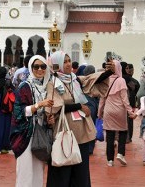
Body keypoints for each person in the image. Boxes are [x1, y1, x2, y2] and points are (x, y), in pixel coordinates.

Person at [46, 51, 98, 187]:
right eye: (65, 61)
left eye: (69, 61)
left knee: (81, 169)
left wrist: (109, 72)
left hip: (81, 131)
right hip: (65, 130)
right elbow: (56, 106)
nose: (68, 64)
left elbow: (93, 80)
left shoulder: (74, 79)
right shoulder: (53, 83)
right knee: (64, 166)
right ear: (57, 64)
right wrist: (78, 106)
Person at [10, 55, 54, 187]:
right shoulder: (25, 86)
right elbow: (19, 111)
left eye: (43, 66)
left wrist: (49, 118)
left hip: (40, 133)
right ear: (31, 68)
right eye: (36, 67)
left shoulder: (47, 86)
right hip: (26, 134)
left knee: (38, 170)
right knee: (26, 171)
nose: (40, 70)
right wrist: (39, 105)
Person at [98, 60, 136, 167]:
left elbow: (102, 100)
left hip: (108, 111)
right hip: (120, 111)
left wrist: (99, 113)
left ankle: (110, 160)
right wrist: (130, 112)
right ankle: (120, 153)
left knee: (110, 135)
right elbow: (125, 99)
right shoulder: (121, 80)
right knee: (123, 132)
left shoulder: (105, 80)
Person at [124, 63, 140, 143]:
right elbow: (137, 91)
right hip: (130, 103)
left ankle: (121, 138)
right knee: (130, 120)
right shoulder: (134, 81)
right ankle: (128, 137)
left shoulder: (119, 79)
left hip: (120, 104)